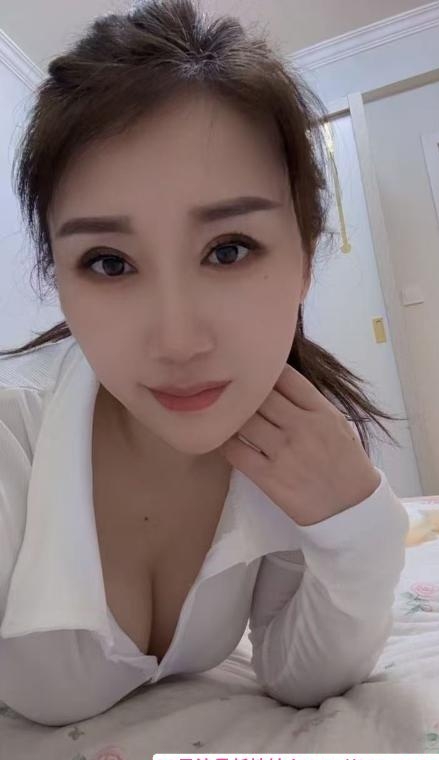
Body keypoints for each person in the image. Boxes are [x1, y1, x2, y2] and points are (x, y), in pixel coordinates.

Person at [0, 0, 409, 727]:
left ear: (304, 258)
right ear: (57, 275)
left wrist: (360, 528)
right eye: (109, 262)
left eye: (229, 250)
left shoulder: (295, 448)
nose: (178, 340)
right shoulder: (13, 441)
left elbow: (299, 676)